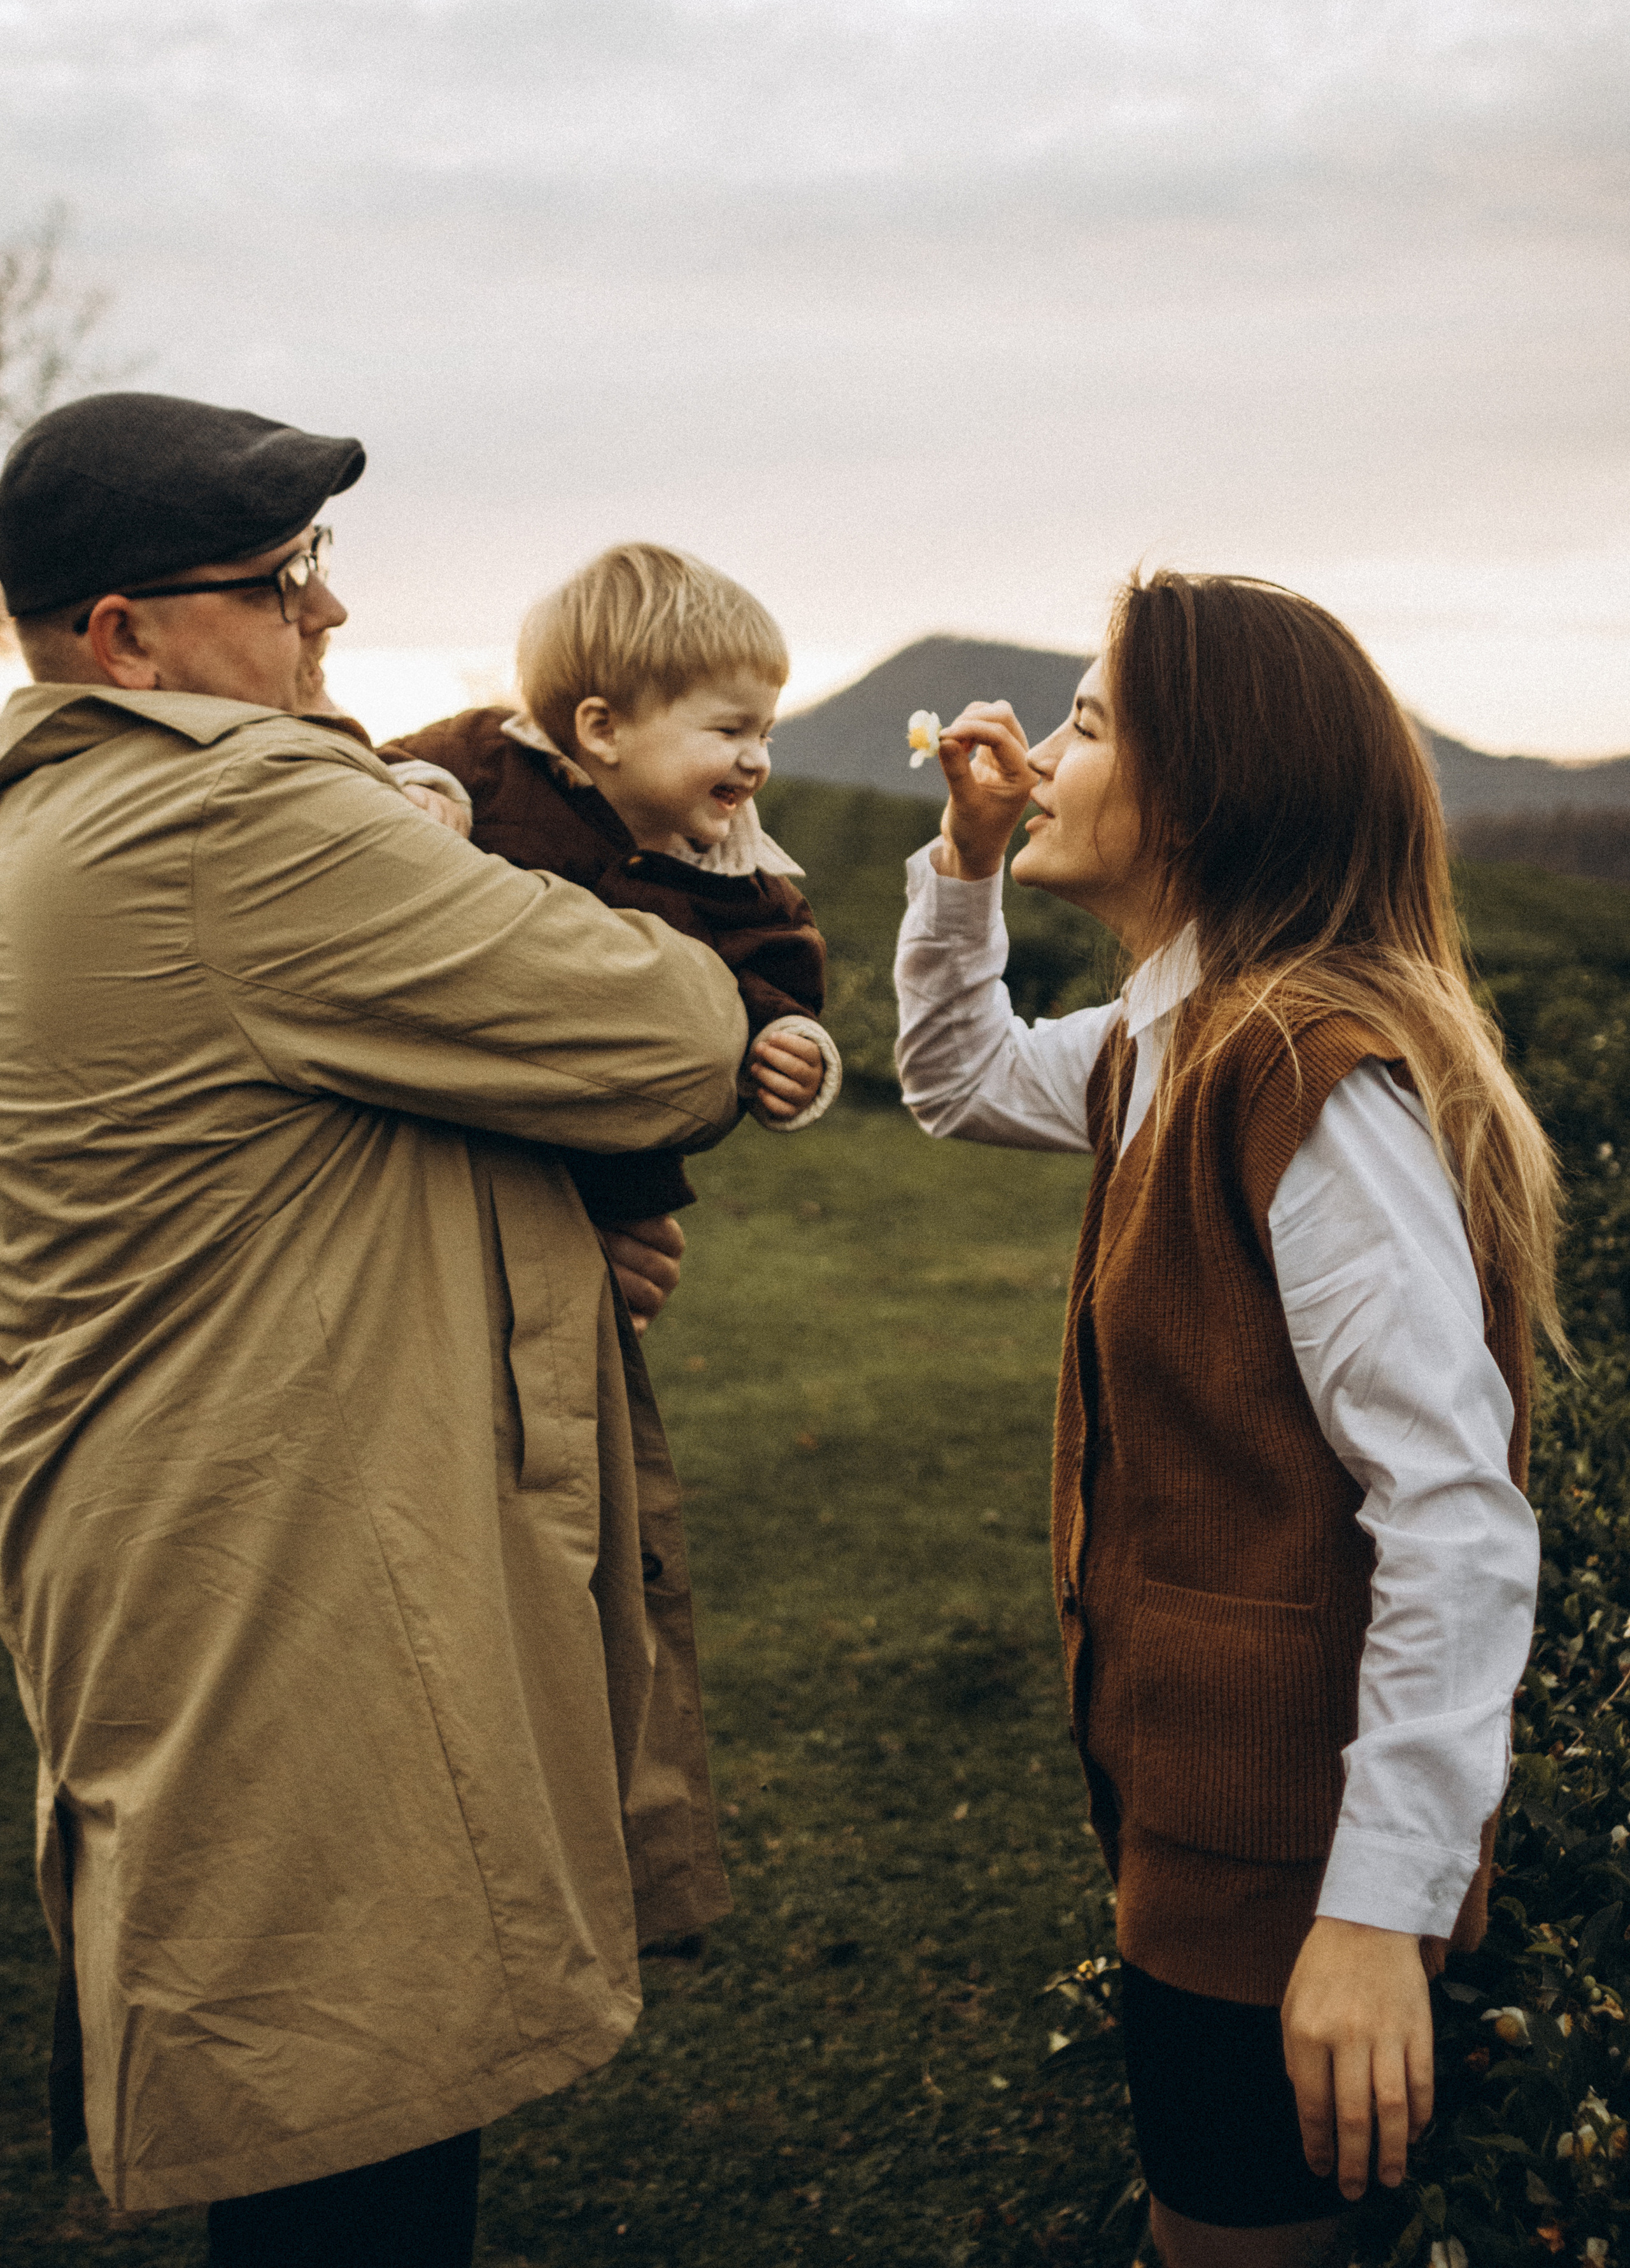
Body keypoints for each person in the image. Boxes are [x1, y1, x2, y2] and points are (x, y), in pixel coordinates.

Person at [0, 392, 752, 2263]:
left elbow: (276, 1142)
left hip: (170, 1561)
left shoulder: (50, 816)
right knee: (354, 2136)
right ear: (129, 639)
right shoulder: (238, 805)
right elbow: (674, 1035)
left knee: (312, 2132)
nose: (327, 620)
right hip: (302, 1601)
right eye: (279, 583)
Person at [893, 571, 1554, 2267]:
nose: (1041, 756)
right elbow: (959, 1077)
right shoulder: (1164, 1041)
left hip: (1291, 1879)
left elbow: (1457, 1519)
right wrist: (965, 869)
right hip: (1204, 1831)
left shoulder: (1297, 1071)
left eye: (1091, 724)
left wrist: (1372, 1913)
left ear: (1204, 796)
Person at [383, 541, 842, 1230]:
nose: (755, 760)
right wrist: (421, 789)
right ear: (602, 729)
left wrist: (795, 1050)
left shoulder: (744, 887)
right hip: (451, 1145)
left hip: (607, 1197)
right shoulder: (487, 760)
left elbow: (783, 984)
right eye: (729, 729)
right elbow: (368, 768)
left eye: (766, 734)